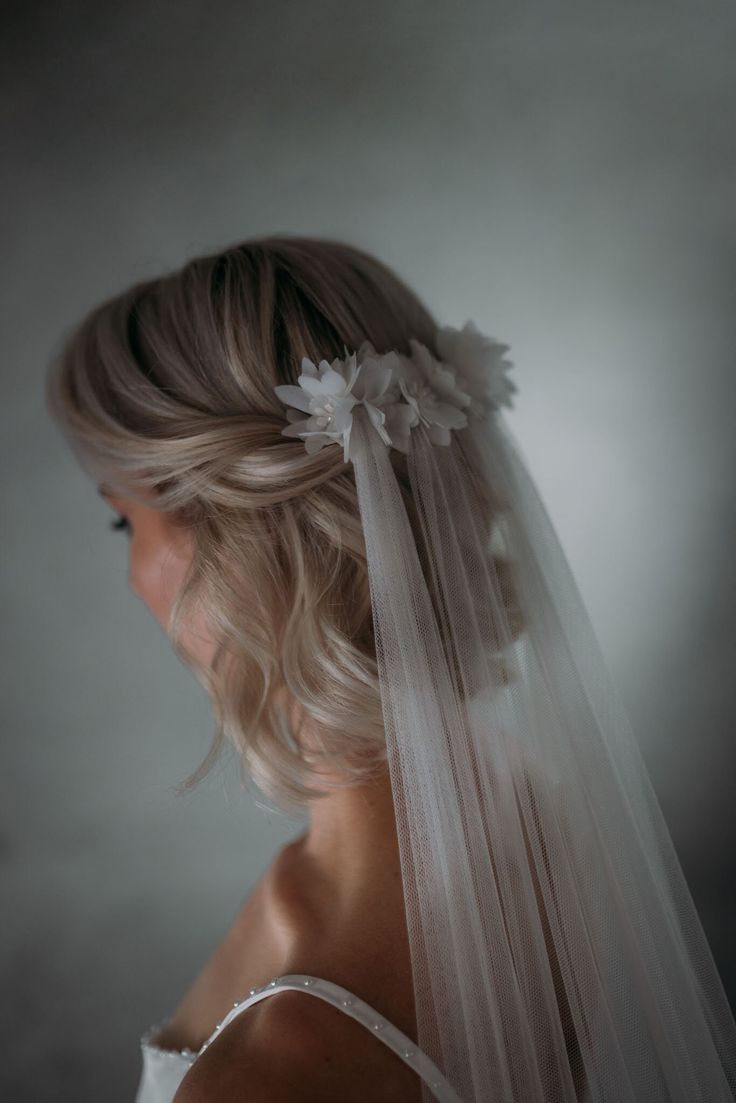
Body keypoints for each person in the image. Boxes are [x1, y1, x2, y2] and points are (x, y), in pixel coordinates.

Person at [46, 235, 736, 1102]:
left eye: (126, 521)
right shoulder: (534, 799)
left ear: (237, 538)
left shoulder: (277, 1071)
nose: (132, 572)